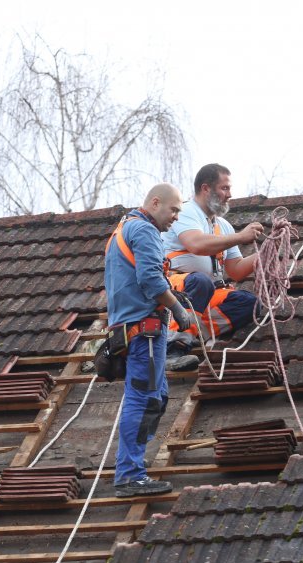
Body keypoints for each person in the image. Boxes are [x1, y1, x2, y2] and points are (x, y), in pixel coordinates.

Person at [104, 183, 193, 497]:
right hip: (145, 333)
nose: (175, 218)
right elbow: (150, 280)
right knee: (143, 401)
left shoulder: (123, 229)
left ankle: (133, 471)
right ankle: (130, 475)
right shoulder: (144, 232)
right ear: (155, 202)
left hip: (134, 331)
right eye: (173, 210)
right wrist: (179, 311)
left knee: (154, 399)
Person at [162, 163, 264, 370]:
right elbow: (196, 244)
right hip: (174, 288)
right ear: (206, 188)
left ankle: (193, 333)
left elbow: (235, 270)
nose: (229, 194)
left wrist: (266, 254)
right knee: (201, 282)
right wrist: (241, 237)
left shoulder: (223, 226)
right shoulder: (185, 212)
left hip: (206, 293)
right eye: (224, 188)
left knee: (249, 303)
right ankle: (172, 348)